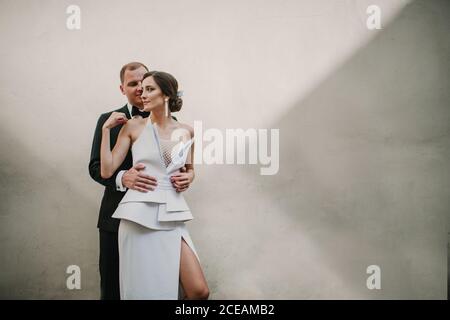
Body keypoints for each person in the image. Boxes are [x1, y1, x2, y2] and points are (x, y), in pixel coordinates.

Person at [99, 71, 209, 300]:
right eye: (141, 89)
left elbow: (189, 170)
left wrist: (189, 177)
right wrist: (105, 131)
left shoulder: (186, 131)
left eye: (150, 89)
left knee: (198, 291)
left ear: (167, 95)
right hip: (138, 216)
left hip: (173, 214)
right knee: (145, 292)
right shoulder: (133, 127)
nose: (142, 94)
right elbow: (107, 170)